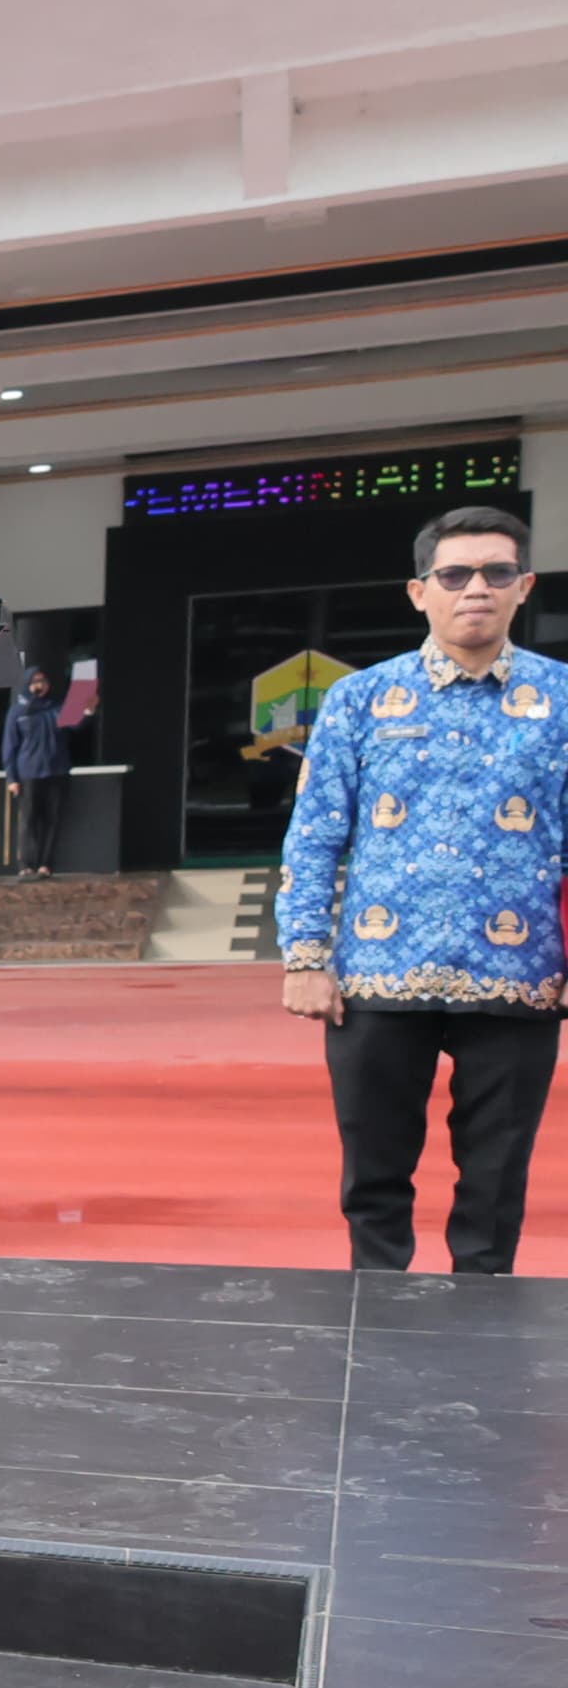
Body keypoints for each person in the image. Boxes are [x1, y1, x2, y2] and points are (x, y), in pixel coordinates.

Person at [277, 505, 565, 1273]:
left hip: (521, 977)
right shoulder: (361, 699)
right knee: (373, 1176)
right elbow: (314, 835)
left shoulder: (563, 700)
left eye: (497, 572)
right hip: (377, 970)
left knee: (496, 1181)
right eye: (455, 573)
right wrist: (305, 957)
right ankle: (378, 1317)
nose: (476, 587)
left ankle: (482, 1323)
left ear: (524, 586)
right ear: (419, 591)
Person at [0, 662, 73, 878]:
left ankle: (46, 864)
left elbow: (78, 724)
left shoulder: (57, 706)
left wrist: (88, 707)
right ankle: (26, 864)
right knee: (29, 819)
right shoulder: (18, 711)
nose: (40, 685)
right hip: (29, 772)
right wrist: (11, 777)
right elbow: (9, 747)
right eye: (35, 681)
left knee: (53, 818)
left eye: (43, 681)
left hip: (57, 770)